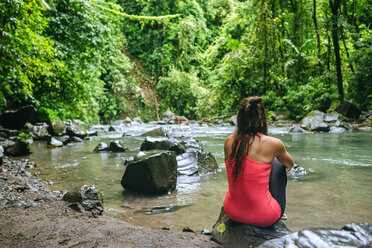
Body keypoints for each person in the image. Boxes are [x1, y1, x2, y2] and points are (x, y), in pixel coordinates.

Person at [223, 96, 294, 228]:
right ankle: (278, 212)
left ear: (239, 118)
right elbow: (290, 164)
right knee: (278, 164)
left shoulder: (228, 141)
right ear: (262, 119)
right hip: (264, 217)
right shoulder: (274, 143)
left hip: (232, 211)